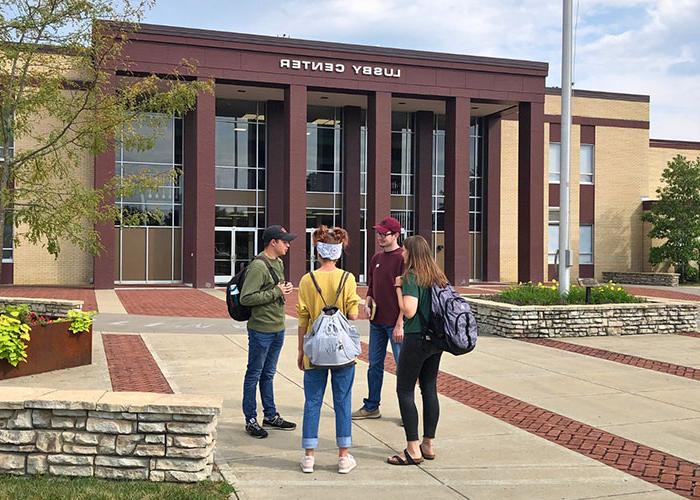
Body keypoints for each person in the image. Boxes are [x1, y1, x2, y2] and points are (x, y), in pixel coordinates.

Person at [296, 226, 360, 474]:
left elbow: (303, 319)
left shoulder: (306, 279)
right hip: (342, 350)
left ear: (318, 252)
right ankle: (343, 456)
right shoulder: (348, 278)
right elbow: (353, 314)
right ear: (338, 251)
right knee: (343, 401)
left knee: (312, 401)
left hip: (315, 349)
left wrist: (301, 351)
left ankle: (309, 456)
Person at [387, 235, 445, 466]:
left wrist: (399, 287)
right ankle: (428, 444)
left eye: (405, 250)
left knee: (405, 390)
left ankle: (412, 448)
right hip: (435, 340)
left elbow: (409, 311)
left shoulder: (411, 276)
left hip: (416, 339)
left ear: (411, 253)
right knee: (429, 388)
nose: (402, 253)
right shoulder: (438, 276)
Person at [240, 225, 297, 439]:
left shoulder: (278, 263)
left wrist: (282, 290)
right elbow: (247, 297)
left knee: (269, 374)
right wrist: (276, 291)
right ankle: (251, 419)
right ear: (273, 242)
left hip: (277, 327)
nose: (288, 245)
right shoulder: (258, 266)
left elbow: (274, 291)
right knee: (254, 373)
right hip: (261, 330)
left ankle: (270, 415)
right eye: (284, 241)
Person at [353, 216, 404, 420]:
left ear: (396, 235)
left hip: (396, 325)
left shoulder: (403, 259)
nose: (381, 238)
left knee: (403, 368)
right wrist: (368, 300)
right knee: (374, 365)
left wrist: (400, 323)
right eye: (379, 234)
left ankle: (406, 411)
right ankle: (372, 406)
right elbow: (372, 286)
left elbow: (408, 293)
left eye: (385, 234)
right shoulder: (376, 259)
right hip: (377, 322)